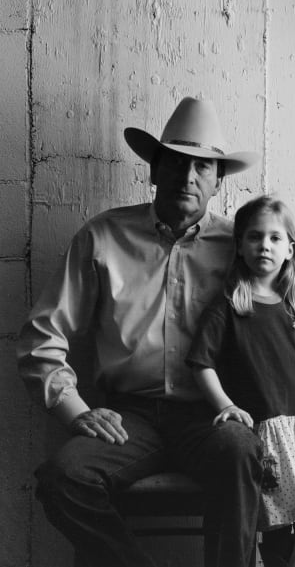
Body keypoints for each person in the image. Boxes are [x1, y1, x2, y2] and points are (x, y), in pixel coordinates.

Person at [17, 96, 264, 567]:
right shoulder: (103, 237)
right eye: (174, 163)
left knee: (242, 453)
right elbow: (41, 337)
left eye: (202, 166)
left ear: (219, 180)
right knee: (62, 478)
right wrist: (75, 411)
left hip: (209, 415)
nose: (187, 177)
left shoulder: (242, 247)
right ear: (153, 170)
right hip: (129, 418)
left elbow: (283, 325)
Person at [186, 195, 295, 567]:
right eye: (255, 237)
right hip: (268, 439)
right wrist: (225, 406)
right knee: (274, 525)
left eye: (276, 238)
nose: (265, 245)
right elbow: (201, 364)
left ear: (290, 249)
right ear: (240, 247)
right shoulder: (229, 306)